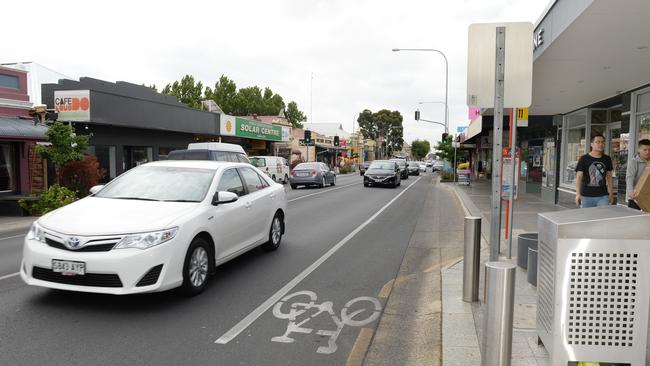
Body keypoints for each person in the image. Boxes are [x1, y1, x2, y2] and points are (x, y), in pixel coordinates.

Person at [575, 134, 614, 208]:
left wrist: (611, 193)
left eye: (603, 142)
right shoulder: (584, 159)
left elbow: (609, 178)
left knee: (602, 217)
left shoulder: (607, 159)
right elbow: (579, 177)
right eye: (598, 142)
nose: (601, 144)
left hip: (603, 196)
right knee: (587, 218)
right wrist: (577, 194)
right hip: (586, 196)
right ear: (591, 144)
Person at [626, 139, 650, 210]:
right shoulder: (633, 162)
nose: (647, 152)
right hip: (635, 196)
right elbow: (629, 177)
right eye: (645, 150)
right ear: (639, 149)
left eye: (649, 149)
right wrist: (630, 192)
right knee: (633, 219)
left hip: (648, 195)